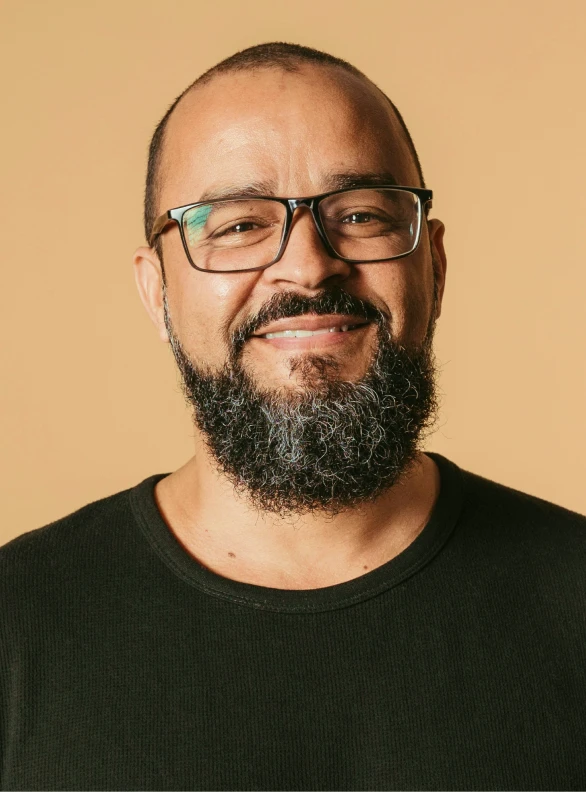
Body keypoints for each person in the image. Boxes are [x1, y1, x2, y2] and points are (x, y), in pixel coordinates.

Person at [1, 41, 585, 792]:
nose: (308, 266)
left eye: (362, 214)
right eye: (239, 225)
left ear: (433, 266)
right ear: (157, 293)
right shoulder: (18, 625)